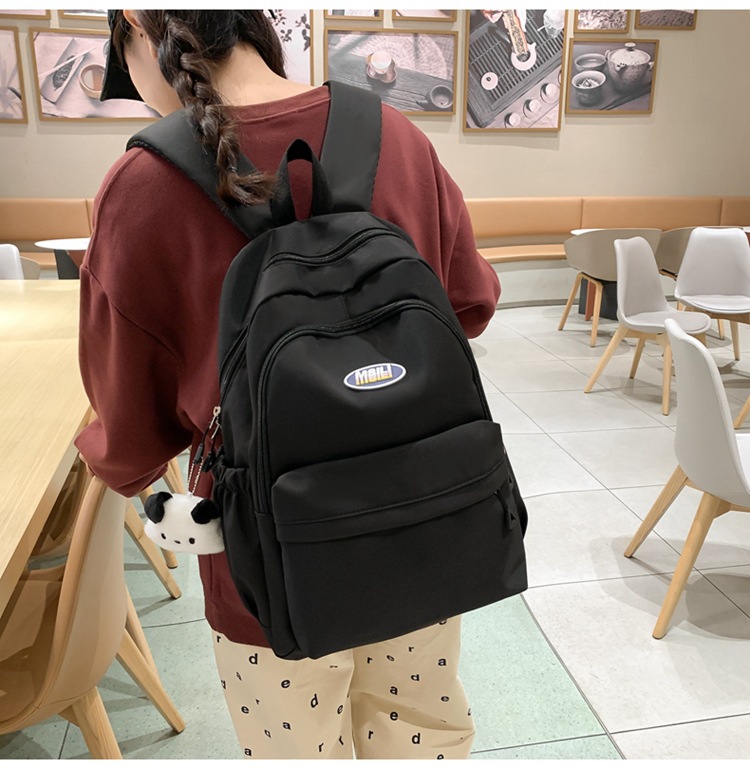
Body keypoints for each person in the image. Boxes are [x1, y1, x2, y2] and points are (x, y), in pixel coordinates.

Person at [76, 10, 501, 760]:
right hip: (424, 521)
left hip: (266, 559)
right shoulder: (396, 135)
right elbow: (470, 302)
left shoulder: (142, 186)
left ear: (138, 27)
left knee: (296, 747)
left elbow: (129, 440)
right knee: (423, 733)